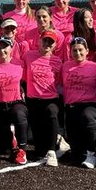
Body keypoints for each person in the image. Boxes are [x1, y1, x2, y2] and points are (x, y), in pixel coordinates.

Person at [0, 36, 30, 164]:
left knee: (19, 115)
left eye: (4, 47)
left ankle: (22, 149)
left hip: (16, 102)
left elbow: (27, 81)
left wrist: (23, 90)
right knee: (3, 149)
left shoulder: (20, 64)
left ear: (11, 48)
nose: (1, 50)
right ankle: (11, 138)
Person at [61, 36, 96, 169]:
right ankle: (87, 147)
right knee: (77, 155)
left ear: (87, 51)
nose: (78, 53)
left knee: (87, 117)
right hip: (71, 107)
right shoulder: (65, 66)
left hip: (90, 105)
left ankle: (92, 153)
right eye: (74, 50)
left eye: (80, 50)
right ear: (70, 52)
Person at [24, 30, 64, 166]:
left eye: (50, 42)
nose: (47, 44)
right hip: (33, 99)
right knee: (39, 149)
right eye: (45, 40)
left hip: (51, 98)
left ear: (55, 45)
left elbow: (59, 82)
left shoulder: (57, 61)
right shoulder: (29, 56)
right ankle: (55, 144)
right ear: (39, 41)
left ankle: (52, 151)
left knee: (52, 112)